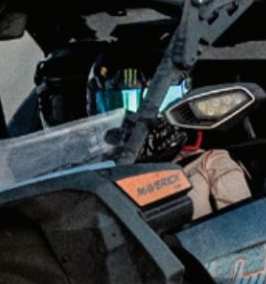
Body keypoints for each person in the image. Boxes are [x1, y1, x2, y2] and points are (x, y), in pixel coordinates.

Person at [87, 52, 251, 221]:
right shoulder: (91, 175)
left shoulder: (211, 165)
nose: (139, 119)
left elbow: (245, 231)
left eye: (162, 102)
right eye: (124, 103)